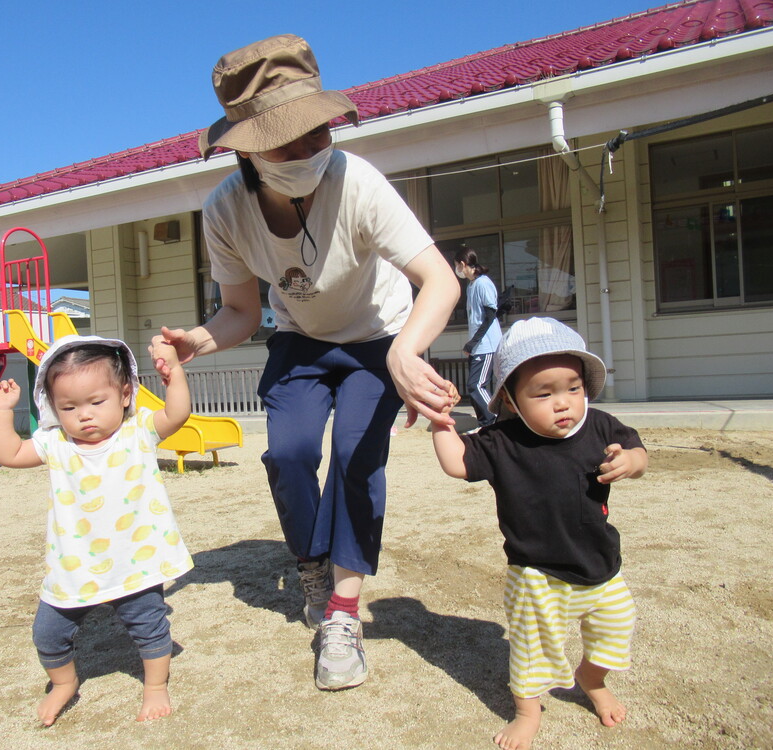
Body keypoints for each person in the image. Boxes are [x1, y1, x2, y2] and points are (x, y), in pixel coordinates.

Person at [153, 33, 459, 691]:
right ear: (244, 147)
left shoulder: (359, 183)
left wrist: (406, 351)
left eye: (316, 132)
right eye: (287, 142)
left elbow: (441, 280)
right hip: (301, 342)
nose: (310, 152)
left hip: (379, 337)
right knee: (288, 454)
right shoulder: (225, 212)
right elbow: (239, 310)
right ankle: (313, 564)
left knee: (356, 456)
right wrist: (197, 343)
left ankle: (342, 617)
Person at [430, 317, 647, 749]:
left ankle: (591, 678)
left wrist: (632, 462)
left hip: (600, 565)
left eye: (573, 388)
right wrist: (440, 422)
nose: (563, 403)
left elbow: (638, 450)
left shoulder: (601, 426)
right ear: (510, 399)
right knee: (532, 647)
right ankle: (528, 712)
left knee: (618, 624)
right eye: (543, 393)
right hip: (537, 573)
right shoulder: (501, 441)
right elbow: (457, 463)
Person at [0, 335, 194, 726]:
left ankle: (155, 686)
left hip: (135, 561)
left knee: (149, 627)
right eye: (69, 406)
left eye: (97, 402)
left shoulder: (138, 433)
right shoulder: (56, 444)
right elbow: (9, 454)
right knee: (47, 634)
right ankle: (63, 682)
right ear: (52, 408)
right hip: (74, 565)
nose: (85, 415)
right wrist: (1, 411)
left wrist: (174, 373)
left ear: (125, 394)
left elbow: (177, 414)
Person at [454, 247, 502, 431]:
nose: (457, 269)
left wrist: (474, 342)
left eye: (457, 265)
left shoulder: (483, 283)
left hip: (487, 344)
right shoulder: (472, 284)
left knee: (476, 385)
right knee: (474, 386)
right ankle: (484, 424)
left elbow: (490, 315)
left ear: (463, 264)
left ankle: (494, 419)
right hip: (478, 345)